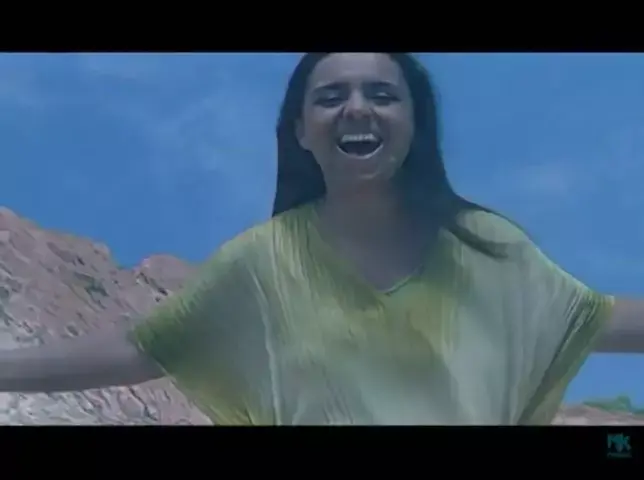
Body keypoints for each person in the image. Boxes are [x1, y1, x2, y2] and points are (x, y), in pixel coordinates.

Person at [0, 52, 641, 425]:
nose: (357, 108)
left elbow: (600, 319)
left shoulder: (483, 250)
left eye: (382, 94)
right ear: (302, 131)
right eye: (332, 96)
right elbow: (138, 349)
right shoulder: (264, 263)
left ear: (415, 125)